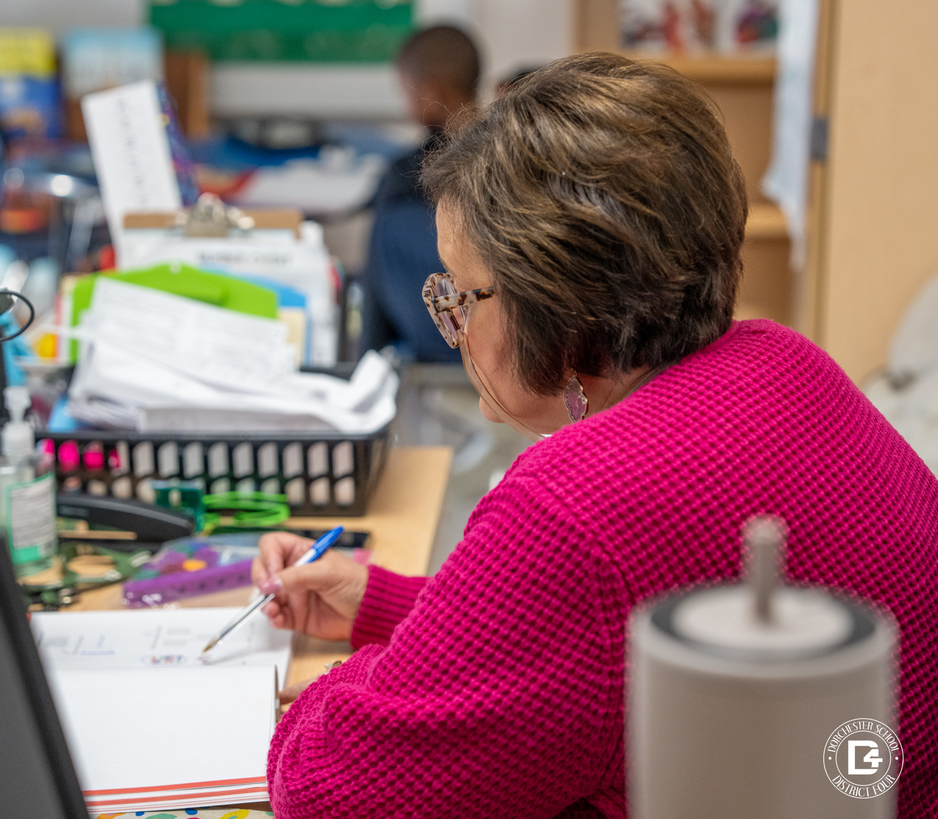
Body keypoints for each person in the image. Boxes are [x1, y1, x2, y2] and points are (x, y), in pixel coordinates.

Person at [254, 54, 938, 817]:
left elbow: (327, 790)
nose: (452, 325)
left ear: (550, 303)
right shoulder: (784, 359)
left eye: (459, 292)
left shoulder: (569, 503)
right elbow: (604, 636)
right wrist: (394, 606)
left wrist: (358, 677)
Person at [360, 25, 480, 363]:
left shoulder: (410, 173)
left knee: (387, 224)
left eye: (408, 94)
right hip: (505, 320)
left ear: (430, 91)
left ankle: (368, 362)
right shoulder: (504, 145)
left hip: (451, 339)